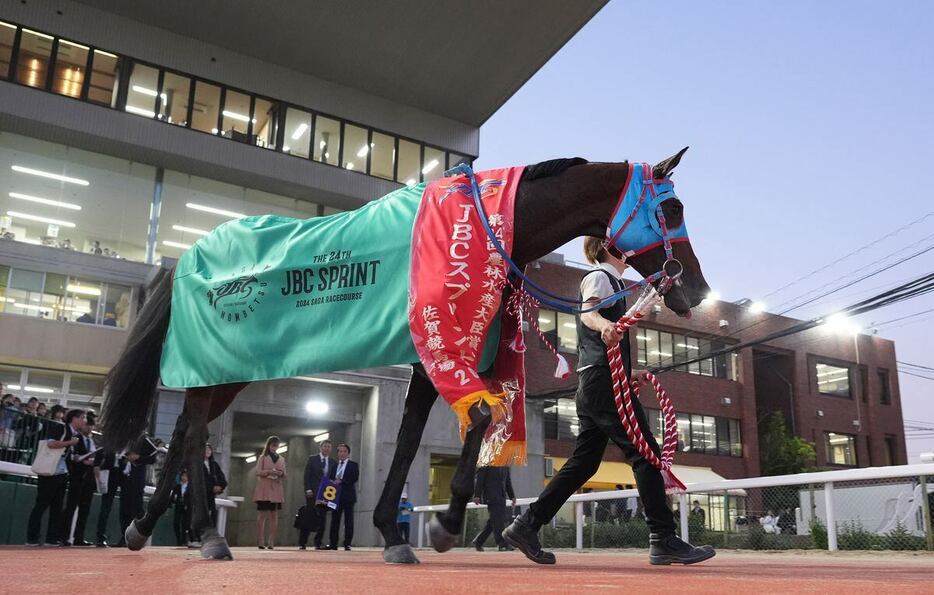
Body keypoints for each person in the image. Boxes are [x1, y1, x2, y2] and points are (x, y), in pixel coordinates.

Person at [504, 237, 715, 566]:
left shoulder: (615, 283)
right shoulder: (599, 277)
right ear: (606, 245)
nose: (629, 247)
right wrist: (605, 326)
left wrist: (630, 370)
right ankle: (663, 538)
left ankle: (526, 525)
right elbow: (589, 311)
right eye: (622, 242)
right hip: (604, 381)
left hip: (598, 381)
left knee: (585, 463)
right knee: (646, 454)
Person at [26, 408, 85, 546]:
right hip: (49, 472)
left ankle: (51, 538)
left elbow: (73, 455)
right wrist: (69, 443)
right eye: (82, 417)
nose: (84, 421)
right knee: (41, 505)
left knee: (57, 507)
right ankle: (31, 538)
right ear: (74, 418)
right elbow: (51, 443)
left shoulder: (78, 436)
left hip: (62, 474)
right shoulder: (61, 428)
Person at [63, 411, 99, 545]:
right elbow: (73, 456)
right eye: (87, 425)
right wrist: (83, 461)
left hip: (89, 479)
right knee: (70, 508)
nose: (89, 428)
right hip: (77, 477)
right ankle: (64, 537)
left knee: (85, 510)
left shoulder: (92, 440)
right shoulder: (75, 438)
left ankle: (79, 538)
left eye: (91, 426)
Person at [119, 434, 158, 543]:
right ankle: (124, 537)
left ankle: (138, 538)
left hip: (137, 478)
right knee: (124, 509)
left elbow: (153, 457)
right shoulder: (123, 439)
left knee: (136, 508)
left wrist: (138, 457)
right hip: (125, 478)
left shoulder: (145, 440)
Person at [300, 438, 335, 550]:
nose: (327, 448)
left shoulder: (333, 462)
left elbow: (333, 479)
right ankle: (303, 542)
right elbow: (307, 475)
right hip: (313, 492)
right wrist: (308, 489)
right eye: (325, 446)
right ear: (320, 447)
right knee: (309, 516)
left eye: (329, 447)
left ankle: (318, 542)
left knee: (322, 518)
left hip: (325, 494)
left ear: (331, 449)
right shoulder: (312, 459)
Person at [471, 465, 516, 551]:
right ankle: (502, 543)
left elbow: (507, 482)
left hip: (501, 497)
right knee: (498, 520)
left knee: (494, 521)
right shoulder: (487, 462)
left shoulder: (505, 465)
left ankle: (478, 541)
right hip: (490, 496)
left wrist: (512, 496)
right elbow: (480, 479)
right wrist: (477, 495)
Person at [253, 435, 286, 549]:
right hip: (264, 488)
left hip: (276, 488)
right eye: (273, 445)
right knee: (262, 514)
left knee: (274, 514)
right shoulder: (263, 457)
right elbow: (258, 471)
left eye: (276, 445)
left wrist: (279, 473)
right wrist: (268, 472)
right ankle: (260, 539)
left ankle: (271, 540)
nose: (275, 447)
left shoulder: (281, 459)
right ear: (269, 445)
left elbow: (284, 473)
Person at [328, 443, 358, 550]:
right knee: (335, 520)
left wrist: (341, 481)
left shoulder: (353, 465)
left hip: (348, 496)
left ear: (348, 453)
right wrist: (332, 481)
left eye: (344, 451)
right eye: (340, 451)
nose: (342, 453)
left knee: (348, 521)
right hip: (335, 496)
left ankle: (347, 543)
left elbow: (354, 478)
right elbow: (330, 478)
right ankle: (333, 543)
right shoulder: (334, 466)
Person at [95, 448, 126, 547]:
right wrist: (100, 481)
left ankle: (124, 537)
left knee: (125, 509)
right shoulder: (104, 449)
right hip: (108, 478)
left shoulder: (126, 449)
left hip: (122, 479)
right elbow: (96, 464)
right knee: (105, 508)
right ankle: (100, 536)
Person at [203, 443, 228, 528]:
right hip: (201, 495)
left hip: (211, 496)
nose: (208, 451)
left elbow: (223, 479)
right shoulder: (198, 464)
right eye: (205, 449)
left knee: (212, 517)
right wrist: (211, 488)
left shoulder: (214, 465)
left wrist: (220, 486)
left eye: (209, 449)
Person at [171, 470, 192, 546]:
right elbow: (172, 497)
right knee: (176, 523)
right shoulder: (177, 486)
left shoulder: (190, 487)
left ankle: (183, 540)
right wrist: (174, 500)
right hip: (178, 506)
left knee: (185, 524)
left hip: (187, 507)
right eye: (183, 476)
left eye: (186, 476)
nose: (184, 478)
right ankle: (178, 539)